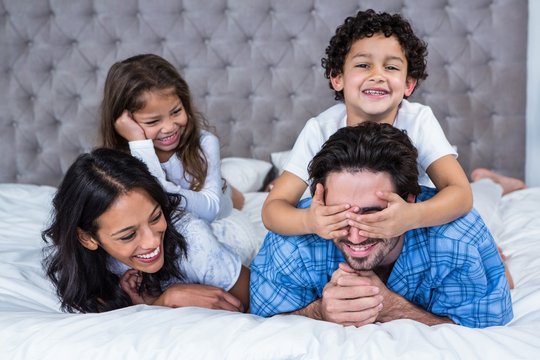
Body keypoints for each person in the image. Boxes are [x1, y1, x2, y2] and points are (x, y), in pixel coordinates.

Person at [250, 122, 513, 328]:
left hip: (457, 223)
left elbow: (486, 330)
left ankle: (495, 183)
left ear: (409, 200)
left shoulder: (458, 241)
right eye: (339, 214)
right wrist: (320, 311)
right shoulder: (292, 239)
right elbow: (262, 319)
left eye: (372, 215)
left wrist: (390, 307)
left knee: (485, 200)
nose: (354, 236)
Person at [261, 9, 472, 243]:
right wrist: (309, 221)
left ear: (408, 84)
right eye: (363, 65)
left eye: (391, 67)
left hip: (411, 218)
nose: (377, 75)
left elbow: (461, 193)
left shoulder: (418, 120)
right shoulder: (320, 129)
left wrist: (413, 216)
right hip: (347, 226)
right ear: (337, 77)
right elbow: (272, 210)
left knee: (471, 237)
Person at [42, 148, 249, 313]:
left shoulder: (196, 242)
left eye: (156, 217)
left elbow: (260, 301)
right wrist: (162, 302)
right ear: (87, 238)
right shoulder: (84, 265)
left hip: (232, 232)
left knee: (232, 205)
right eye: (128, 235)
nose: (151, 242)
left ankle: (235, 193)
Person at [99, 53, 244, 223]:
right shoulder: (118, 160)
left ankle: (236, 188)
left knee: (236, 200)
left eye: (176, 112)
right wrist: (138, 144)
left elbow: (211, 210)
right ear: (125, 122)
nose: (169, 128)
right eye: (153, 121)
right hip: (194, 196)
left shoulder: (205, 143)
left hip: (219, 201)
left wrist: (141, 144)